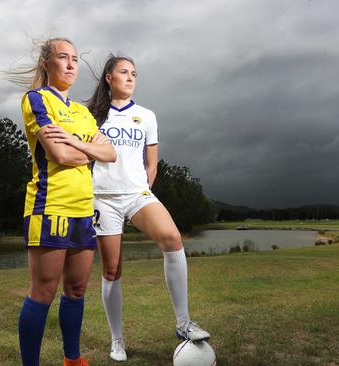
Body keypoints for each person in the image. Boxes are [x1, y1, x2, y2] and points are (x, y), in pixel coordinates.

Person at [88, 55, 210, 362]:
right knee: (112, 270)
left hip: (137, 194)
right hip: (102, 198)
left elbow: (151, 163)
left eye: (134, 74)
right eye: (124, 73)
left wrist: (142, 191)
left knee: (173, 239)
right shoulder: (91, 115)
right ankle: (117, 341)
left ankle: (183, 324)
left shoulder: (147, 116)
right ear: (108, 78)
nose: (130, 78)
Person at [15, 37, 116, 366]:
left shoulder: (83, 113)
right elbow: (57, 153)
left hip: (84, 210)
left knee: (76, 290)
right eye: (63, 57)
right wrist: (85, 149)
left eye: (74, 58)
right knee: (42, 293)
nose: (71, 64)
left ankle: (72, 360)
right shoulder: (37, 100)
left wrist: (76, 144)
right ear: (47, 63)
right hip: (50, 206)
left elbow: (109, 153)